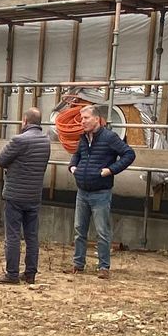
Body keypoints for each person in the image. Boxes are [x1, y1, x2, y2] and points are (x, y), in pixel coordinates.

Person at [68, 103, 135, 277]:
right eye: (81, 118)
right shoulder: (83, 138)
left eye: (86, 118)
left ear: (97, 119)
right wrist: (72, 166)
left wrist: (111, 170)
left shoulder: (109, 137)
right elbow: (77, 155)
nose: (82, 122)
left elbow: (129, 154)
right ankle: (78, 264)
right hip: (82, 191)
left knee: (102, 231)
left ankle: (104, 267)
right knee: (79, 230)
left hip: (100, 193)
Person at [0, 106, 50, 284]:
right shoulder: (45, 141)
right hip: (34, 195)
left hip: (15, 195)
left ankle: (12, 273)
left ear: (24, 121)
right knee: (32, 236)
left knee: (13, 235)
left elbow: (0, 160)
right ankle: (30, 273)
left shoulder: (19, 140)